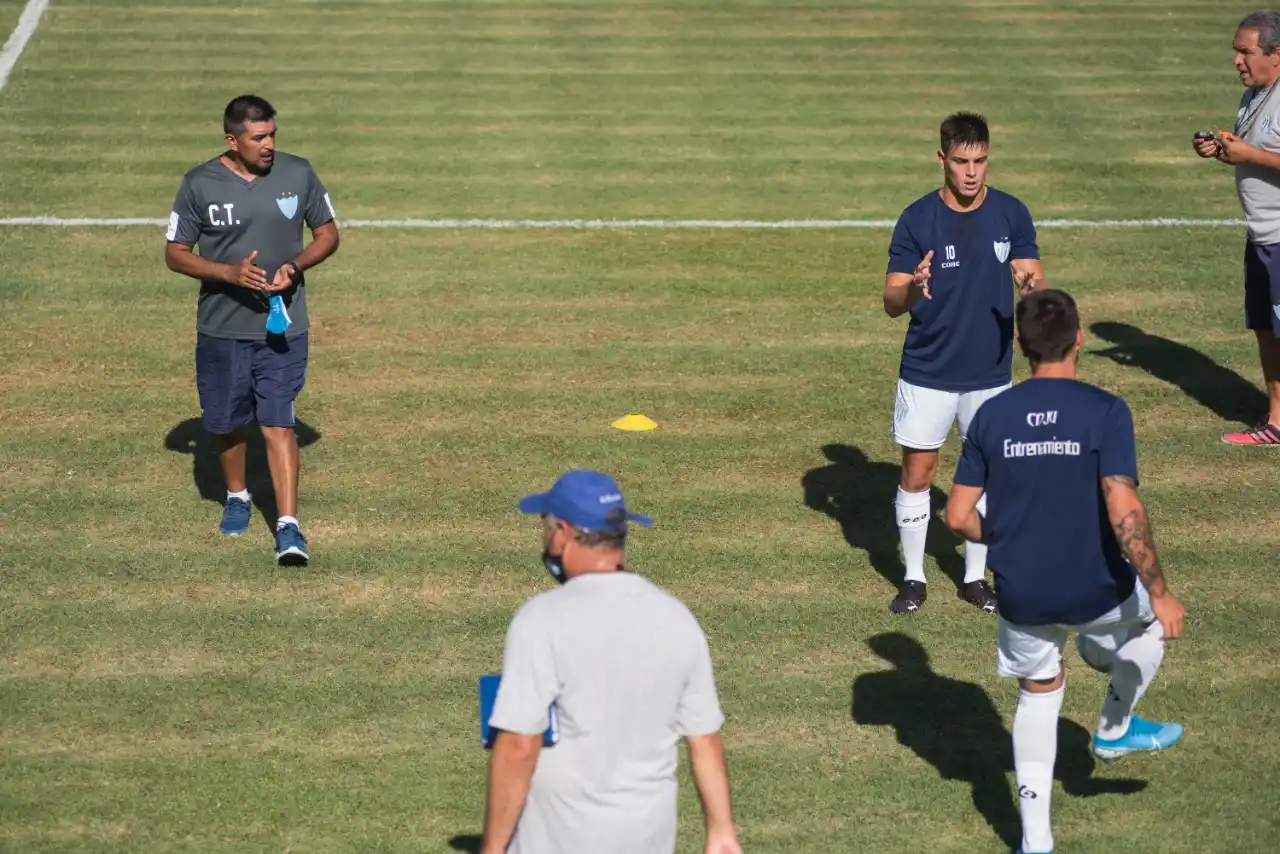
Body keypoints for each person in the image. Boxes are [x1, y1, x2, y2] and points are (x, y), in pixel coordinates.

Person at [945, 289, 1186, 854]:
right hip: (1097, 587)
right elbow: (1122, 507)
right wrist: (1161, 590)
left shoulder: (990, 415)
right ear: (1079, 339)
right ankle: (1116, 725)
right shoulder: (1106, 410)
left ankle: (1036, 843)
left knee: (1038, 694)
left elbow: (957, 517)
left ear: (1019, 346)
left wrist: (1002, 535)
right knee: (1153, 624)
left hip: (1022, 594)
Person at [480, 470, 742, 854]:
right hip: (648, 838)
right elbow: (703, 737)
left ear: (564, 534)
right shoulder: (676, 618)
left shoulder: (542, 620)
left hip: (561, 840)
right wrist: (721, 831)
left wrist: (492, 848)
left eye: (545, 527)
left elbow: (519, 744)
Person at [882, 111, 1047, 615]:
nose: (972, 172)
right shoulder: (916, 219)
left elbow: (1033, 274)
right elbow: (891, 301)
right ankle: (913, 578)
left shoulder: (1012, 213)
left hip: (991, 373)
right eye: (961, 161)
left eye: (980, 160)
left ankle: (976, 578)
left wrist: (1030, 286)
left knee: (989, 473)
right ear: (942, 160)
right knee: (920, 470)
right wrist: (913, 285)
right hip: (929, 369)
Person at [164, 94, 339, 565]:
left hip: (283, 327)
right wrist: (228, 274)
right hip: (222, 328)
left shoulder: (297, 173)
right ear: (232, 139)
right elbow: (175, 252)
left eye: (272, 135)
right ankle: (237, 495)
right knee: (225, 423)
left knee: (278, 420)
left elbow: (328, 234)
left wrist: (297, 266)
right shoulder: (199, 183)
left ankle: (288, 526)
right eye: (258, 137)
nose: (269, 145)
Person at [1193, 9, 1280, 445]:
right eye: (1235, 52)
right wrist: (1220, 148)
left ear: (1276, 55)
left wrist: (1250, 156)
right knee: (1266, 328)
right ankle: (1278, 421)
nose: (1236, 60)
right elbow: (1249, 150)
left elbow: (1259, 156)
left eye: (1245, 51)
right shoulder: (1253, 95)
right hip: (1261, 234)